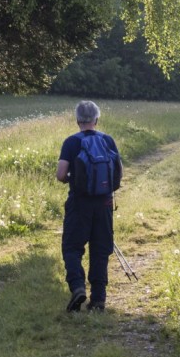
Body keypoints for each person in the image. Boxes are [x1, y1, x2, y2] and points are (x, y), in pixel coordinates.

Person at [56, 100, 122, 312]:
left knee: (72, 247)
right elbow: (117, 173)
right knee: (101, 250)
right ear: (96, 119)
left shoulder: (71, 142)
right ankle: (99, 300)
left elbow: (60, 175)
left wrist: (71, 179)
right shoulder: (108, 140)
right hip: (104, 203)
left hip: (79, 203)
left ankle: (77, 287)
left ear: (77, 120)